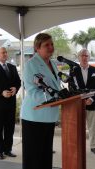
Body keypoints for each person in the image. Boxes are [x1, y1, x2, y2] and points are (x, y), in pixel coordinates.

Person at [21, 33, 61, 169]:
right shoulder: (31, 64)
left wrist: (61, 95)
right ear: (37, 48)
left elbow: (55, 86)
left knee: (45, 156)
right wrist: (55, 97)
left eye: (52, 44)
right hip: (34, 117)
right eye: (46, 45)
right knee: (33, 158)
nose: (51, 47)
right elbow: (32, 91)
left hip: (48, 117)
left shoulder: (53, 63)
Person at [0, 47, 21, 160]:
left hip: (11, 102)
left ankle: (8, 149)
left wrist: (16, 88)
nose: (5, 54)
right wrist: (1, 92)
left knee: (10, 127)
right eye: (3, 52)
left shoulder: (12, 67)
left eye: (6, 52)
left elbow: (18, 82)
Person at [70, 49, 95, 155]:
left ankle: (94, 146)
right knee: (78, 127)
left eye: (87, 56)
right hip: (79, 104)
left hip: (91, 103)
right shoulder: (74, 71)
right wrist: (80, 99)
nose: (84, 58)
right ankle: (78, 146)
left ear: (89, 57)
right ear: (79, 57)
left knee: (92, 126)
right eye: (82, 55)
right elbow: (72, 88)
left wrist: (91, 99)